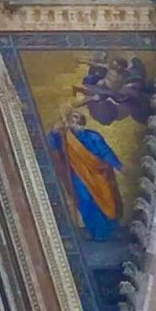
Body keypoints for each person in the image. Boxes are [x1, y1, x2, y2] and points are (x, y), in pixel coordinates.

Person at [48, 87, 125, 239]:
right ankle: (95, 231)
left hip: (98, 173)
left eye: (77, 119)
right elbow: (52, 146)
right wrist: (53, 132)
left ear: (82, 122)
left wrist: (118, 165)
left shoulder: (93, 136)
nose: (74, 122)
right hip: (80, 175)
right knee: (85, 200)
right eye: (72, 120)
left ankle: (108, 231)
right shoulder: (65, 137)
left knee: (107, 201)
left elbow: (105, 152)